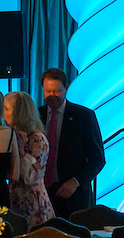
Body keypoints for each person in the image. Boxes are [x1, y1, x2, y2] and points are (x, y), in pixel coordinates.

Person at [37, 68, 105, 220]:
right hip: (43, 196)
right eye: (48, 91)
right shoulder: (36, 115)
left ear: (66, 88)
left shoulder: (84, 116)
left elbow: (98, 159)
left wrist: (76, 181)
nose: (52, 96)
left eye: (56, 91)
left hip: (74, 197)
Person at [6, 91, 55, 226]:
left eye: (6, 109)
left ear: (18, 112)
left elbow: (30, 177)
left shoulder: (37, 139)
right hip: (14, 198)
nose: (2, 112)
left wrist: (21, 151)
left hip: (32, 201)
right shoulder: (9, 135)